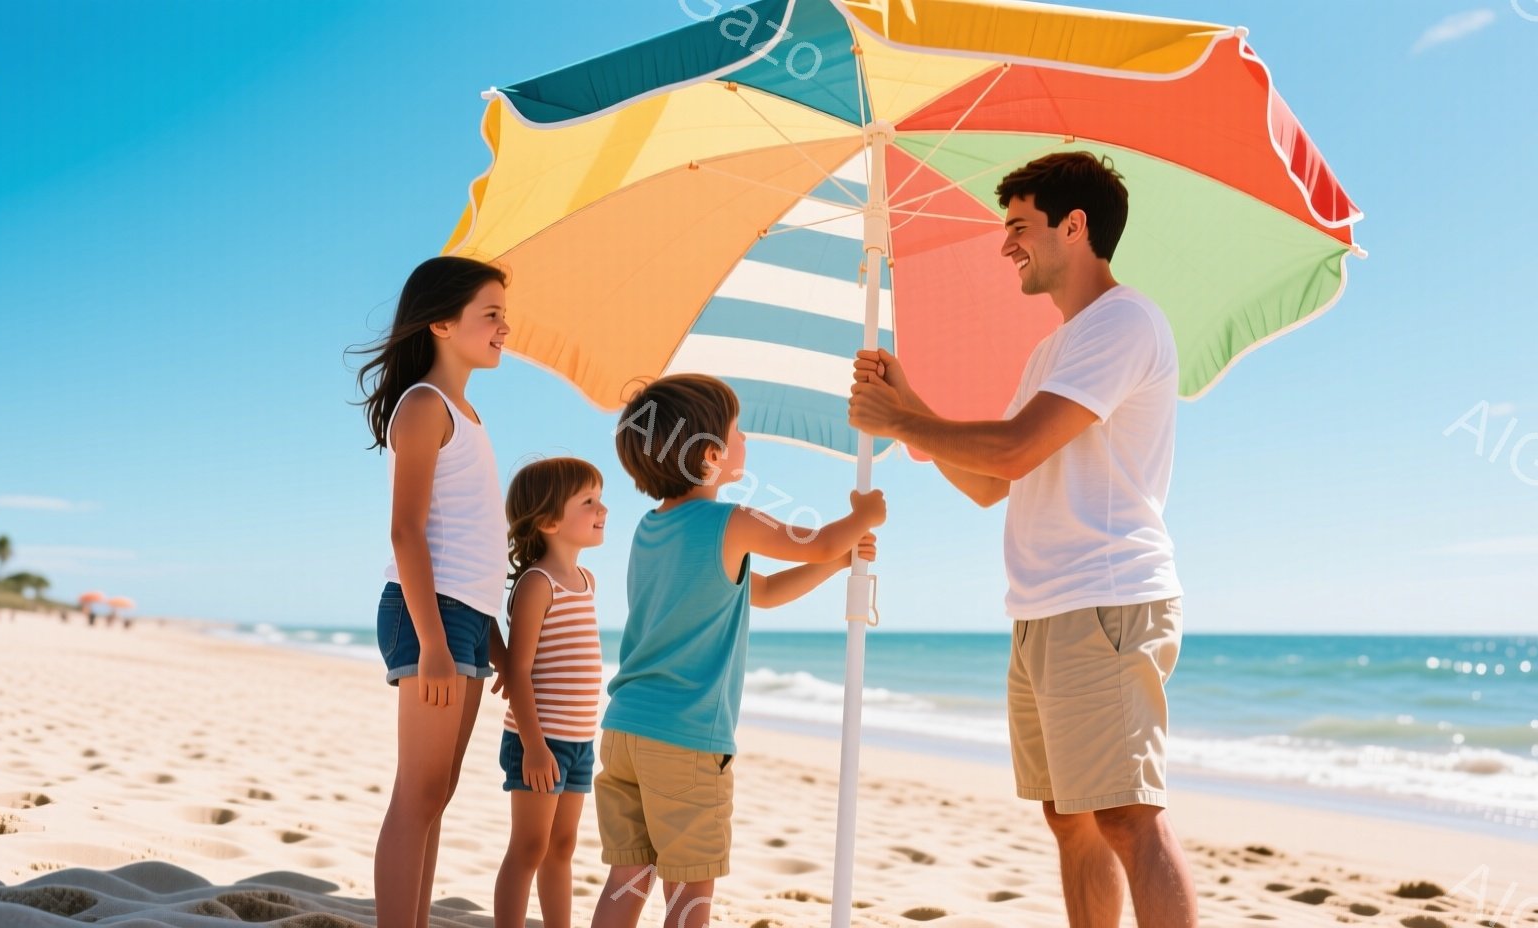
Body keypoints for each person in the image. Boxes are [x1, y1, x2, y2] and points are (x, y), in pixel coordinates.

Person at [848, 152, 1197, 928]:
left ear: (1074, 227)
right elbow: (991, 483)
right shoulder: (1054, 348)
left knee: (1126, 816)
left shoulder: (1126, 321)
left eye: (1018, 227)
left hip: (1105, 599)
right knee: (1068, 817)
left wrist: (901, 421)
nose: (1006, 245)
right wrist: (912, 408)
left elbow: (1012, 449)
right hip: (1045, 608)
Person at [589, 373, 884, 928]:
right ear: (708, 457)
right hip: (685, 739)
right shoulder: (733, 520)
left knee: (627, 878)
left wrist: (839, 563)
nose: (745, 440)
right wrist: (863, 516)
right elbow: (817, 538)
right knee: (690, 888)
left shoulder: (650, 530)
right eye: (738, 430)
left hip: (625, 729)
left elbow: (763, 593)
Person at [356, 256, 513, 928]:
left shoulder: (467, 413)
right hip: (432, 616)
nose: (506, 327)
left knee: (438, 795)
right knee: (416, 794)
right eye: (492, 314)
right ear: (442, 323)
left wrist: (495, 642)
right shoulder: (424, 405)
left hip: (467, 618)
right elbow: (405, 532)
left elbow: (479, 549)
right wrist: (434, 643)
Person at [493, 457, 608, 928]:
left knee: (562, 847)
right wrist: (535, 747)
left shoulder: (586, 582)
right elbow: (518, 672)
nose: (603, 509)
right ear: (548, 521)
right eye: (588, 501)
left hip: (579, 742)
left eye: (600, 498)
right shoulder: (537, 584)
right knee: (529, 846)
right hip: (538, 742)